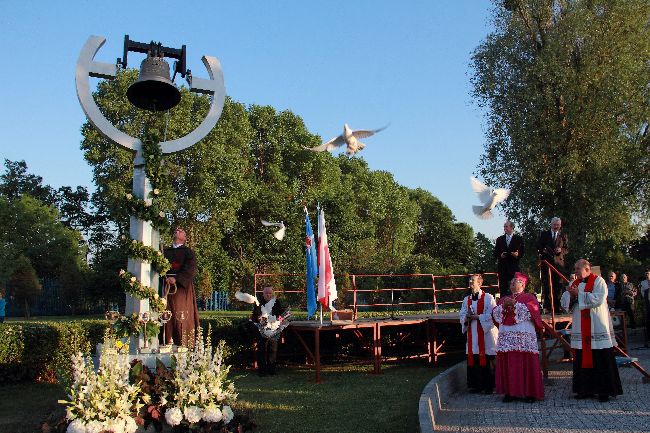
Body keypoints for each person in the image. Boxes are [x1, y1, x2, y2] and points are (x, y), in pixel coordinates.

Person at [560, 259, 623, 402]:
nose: (575, 271)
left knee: (601, 358)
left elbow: (599, 299)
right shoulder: (574, 283)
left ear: (587, 269)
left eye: (577, 268)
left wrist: (579, 295)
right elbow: (564, 303)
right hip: (581, 327)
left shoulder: (599, 281)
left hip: (596, 325)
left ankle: (604, 391)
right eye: (575, 268)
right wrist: (570, 295)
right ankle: (584, 389)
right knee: (582, 356)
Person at [492, 272, 544, 402]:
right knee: (509, 362)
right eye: (511, 282)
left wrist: (514, 305)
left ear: (522, 284)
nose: (511, 284)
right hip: (507, 336)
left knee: (527, 361)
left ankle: (530, 393)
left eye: (514, 282)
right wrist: (504, 305)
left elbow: (532, 311)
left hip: (524, 336)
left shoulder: (529, 297)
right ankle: (510, 392)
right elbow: (496, 314)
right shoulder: (504, 299)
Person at [459, 274, 498, 393]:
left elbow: (493, 315)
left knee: (487, 358)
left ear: (480, 283)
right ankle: (476, 386)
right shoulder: (466, 299)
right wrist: (466, 318)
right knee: (474, 358)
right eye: (469, 280)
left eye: (473, 280)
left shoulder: (489, 298)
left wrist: (477, 317)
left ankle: (489, 386)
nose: (470, 282)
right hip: (472, 332)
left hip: (486, 334)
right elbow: (462, 314)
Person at [163, 228, 199, 346]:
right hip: (165, 288)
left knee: (181, 315)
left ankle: (184, 345)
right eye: (176, 230)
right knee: (165, 314)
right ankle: (165, 341)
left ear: (184, 238)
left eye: (181, 230)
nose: (177, 230)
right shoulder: (164, 251)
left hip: (181, 289)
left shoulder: (188, 252)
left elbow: (190, 269)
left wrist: (176, 279)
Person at [249, 286, 286, 375]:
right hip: (261, 329)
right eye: (267, 293)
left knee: (273, 348)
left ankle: (272, 369)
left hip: (273, 329)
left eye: (270, 293)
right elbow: (257, 316)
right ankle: (262, 370)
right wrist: (262, 319)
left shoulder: (276, 302)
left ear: (272, 294)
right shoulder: (259, 303)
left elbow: (280, 314)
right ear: (263, 294)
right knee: (262, 348)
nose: (269, 295)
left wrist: (281, 319)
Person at [537, 217, 569, 313]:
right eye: (554, 225)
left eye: (558, 225)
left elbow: (567, 249)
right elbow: (538, 245)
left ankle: (557, 306)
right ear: (551, 224)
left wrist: (561, 250)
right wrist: (543, 250)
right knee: (547, 284)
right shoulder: (544, 234)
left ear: (560, 225)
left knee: (558, 285)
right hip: (547, 263)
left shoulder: (563, 235)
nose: (556, 227)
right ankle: (547, 307)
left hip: (559, 264)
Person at [493, 221, 524, 298]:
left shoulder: (519, 239)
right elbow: (495, 253)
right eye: (504, 227)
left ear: (512, 228)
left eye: (506, 227)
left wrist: (517, 254)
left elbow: (522, 252)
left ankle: (516, 304)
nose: (505, 228)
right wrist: (501, 255)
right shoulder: (499, 239)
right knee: (503, 288)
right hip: (502, 267)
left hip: (513, 267)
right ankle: (503, 305)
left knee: (516, 287)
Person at [639, 270, 650, 346]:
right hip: (647, 303)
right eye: (646, 274)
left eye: (648, 273)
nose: (647, 275)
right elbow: (642, 292)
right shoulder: (643, 283)